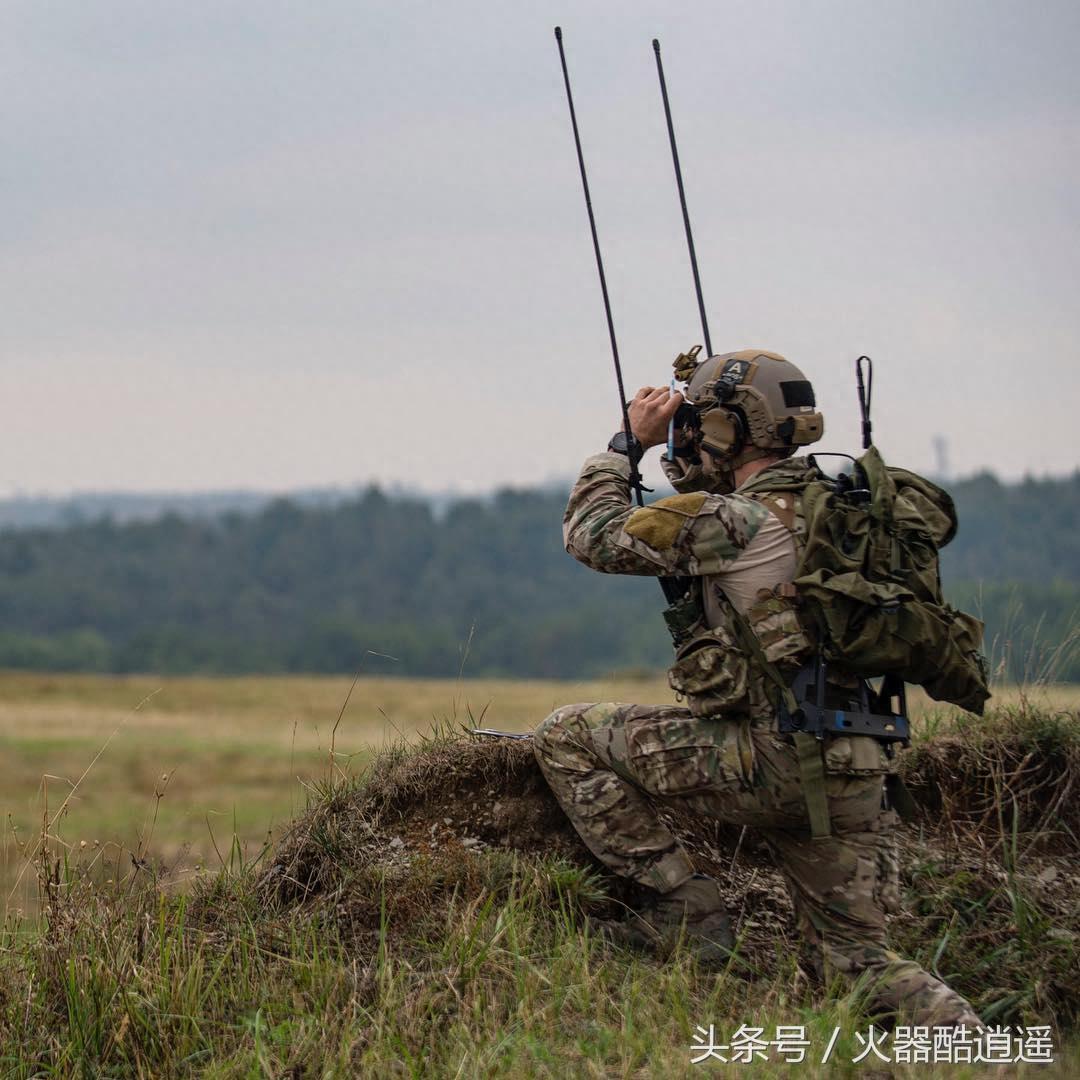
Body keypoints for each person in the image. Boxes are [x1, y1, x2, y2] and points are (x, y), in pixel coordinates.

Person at [533, 348, 982, 1028]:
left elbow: (591, 535)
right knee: (855, 962)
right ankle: (984, 1053)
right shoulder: (840, 511)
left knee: (567, 735)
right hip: (855, 763)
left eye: (696, 425)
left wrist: (627, 444)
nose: (688, 436)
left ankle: (685, 908)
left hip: (772, 760)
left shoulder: (734, 521)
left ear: (726, 429)